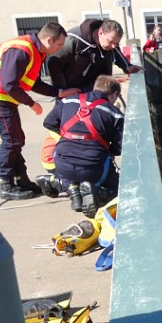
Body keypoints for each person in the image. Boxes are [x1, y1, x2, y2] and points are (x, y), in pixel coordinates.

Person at [0, 22, 78, 200]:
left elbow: (33, 82)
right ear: (49, 40)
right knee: (11, 141)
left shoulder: (37, 52)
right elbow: (9, 84)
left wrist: (59, 92)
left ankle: (21, 180)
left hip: (3, 96)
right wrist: (31, 103)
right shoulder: (22, 50)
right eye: (59, 45)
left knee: (17, 139)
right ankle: (6, 184)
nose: (60, 48)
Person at [43, 75, 124, 217]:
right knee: (122, 188)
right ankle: (98, 192)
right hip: (94, 168)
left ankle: (63, 184)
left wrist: (69, 136)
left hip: (62, 164)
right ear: (113, 95)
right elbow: (118, 148)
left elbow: (49, 122)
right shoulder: (115, 114)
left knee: (68, 160)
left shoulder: (68, 100)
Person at [47, 19, 141, 96]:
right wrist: (62, 90)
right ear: (100, 33)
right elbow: (53, 62)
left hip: (94, 88)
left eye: (116, 43)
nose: (113, 46)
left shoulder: (109, 44)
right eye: (110, 41)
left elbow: (117, 53)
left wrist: (127, 66)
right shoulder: (73, 41)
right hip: (71, 89)